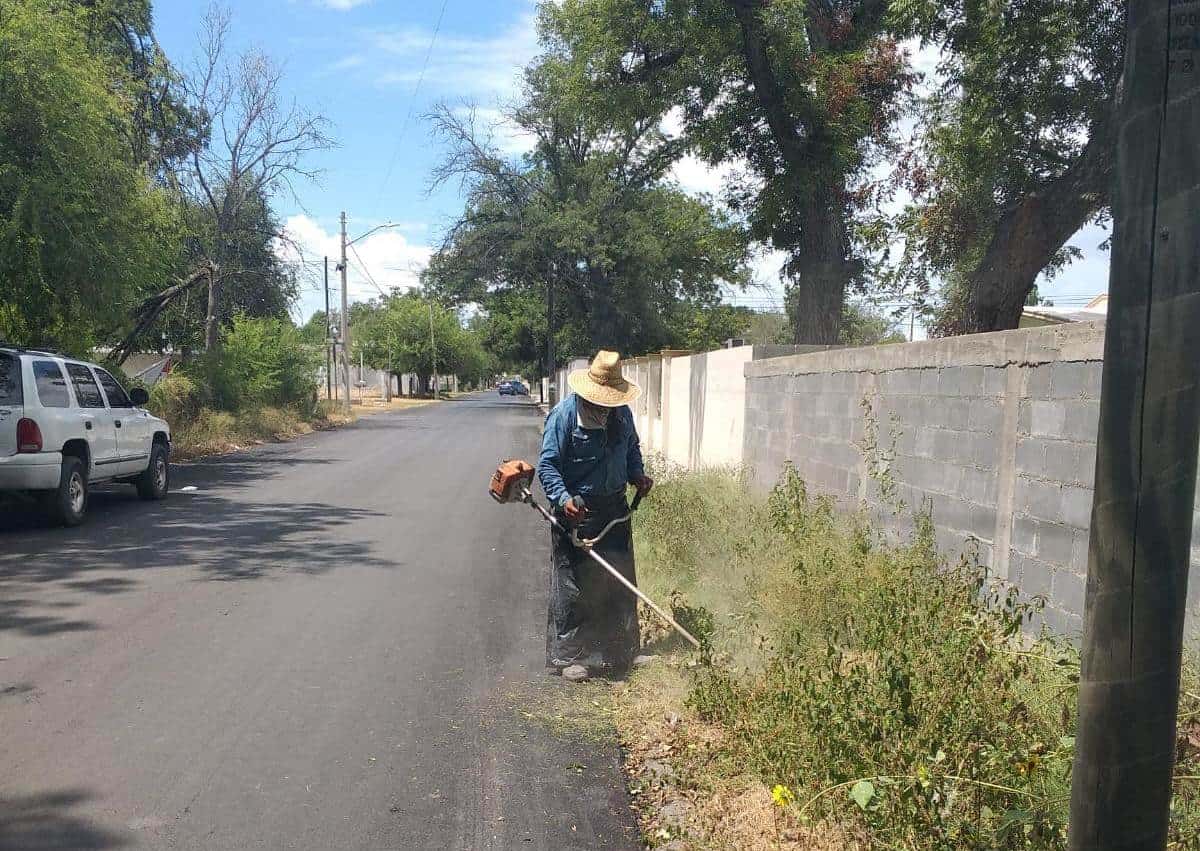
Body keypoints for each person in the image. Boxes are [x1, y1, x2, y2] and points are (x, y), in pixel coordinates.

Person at [537, 351, 654, 682]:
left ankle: (622, 651)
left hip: (614, 509)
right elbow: (547, 465)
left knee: (620, 580)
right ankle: (570, 655)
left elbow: (631, 450)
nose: (606, 405)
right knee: (573, 585)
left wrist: (637, 475)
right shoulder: (563, 416)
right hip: (577, 511)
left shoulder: (621, 415)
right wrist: (562, 498)